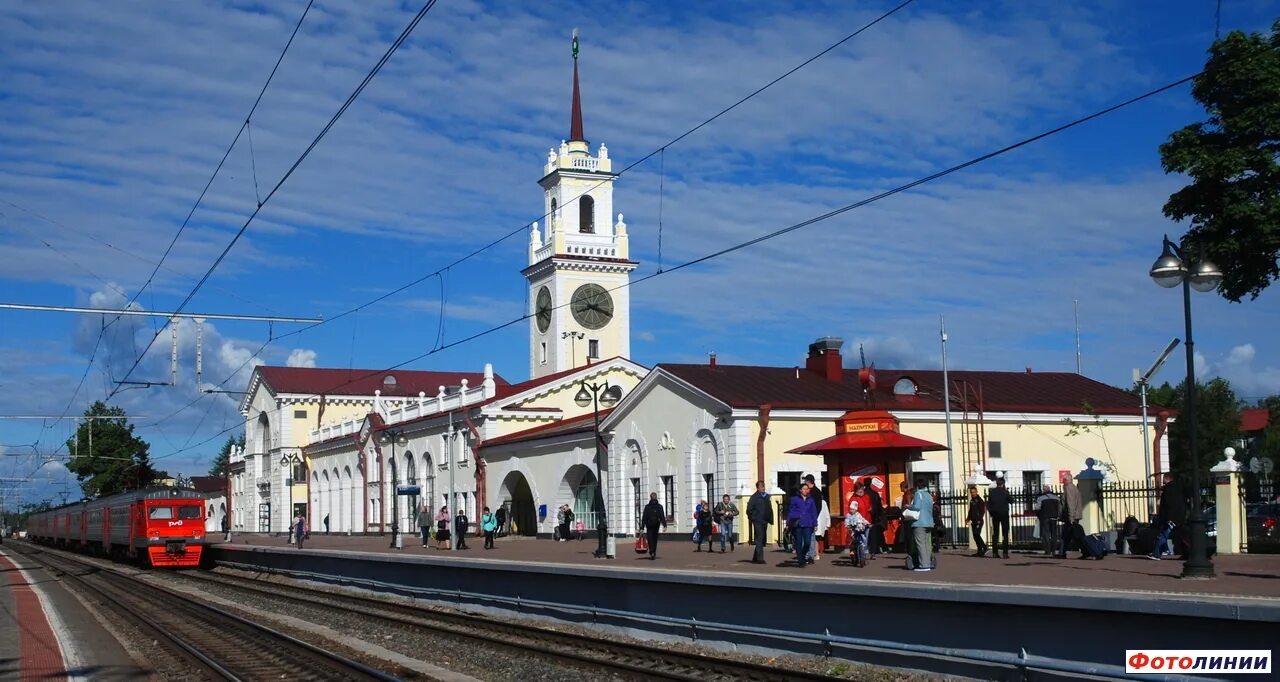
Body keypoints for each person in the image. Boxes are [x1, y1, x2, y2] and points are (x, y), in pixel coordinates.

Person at [1149, 472, 1187, 560]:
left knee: (1163, 535)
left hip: (1170, 518)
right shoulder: (1177, 488)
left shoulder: (1169, 489)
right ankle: (1166, 550)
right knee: (1181, 536)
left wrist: (1170, 518)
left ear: (1167, 478)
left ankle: (1156, 553)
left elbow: (1170, 505)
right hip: (1178, 517)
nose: (1162, 480)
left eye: (1163, 478)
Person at [906, 478, 935, 571]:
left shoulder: (918, 494)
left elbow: (917, 507)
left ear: (917, 486)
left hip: (919, 523)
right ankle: (928, 563)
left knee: (920, 544)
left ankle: (923, 565)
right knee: (927, 545)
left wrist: (909, 506)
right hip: (929, 522)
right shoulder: (929, 495)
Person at [788, 483, 819, 567]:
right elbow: (791, 511)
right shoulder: (795, 499)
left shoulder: (811, 500)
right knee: (798, 542)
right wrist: (790, 521)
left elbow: (814, 512)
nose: (806, 490)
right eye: (804, 489)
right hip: (798, 524)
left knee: (807, 542)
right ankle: (800, 560)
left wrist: (815, 523)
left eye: (807, 489)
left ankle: (802, 555)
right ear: (800, 490)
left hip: (808, 524)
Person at [746, 480, 773, 564]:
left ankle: (755, 557)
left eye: (763, 486)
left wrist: (770, 518)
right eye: (761, 487)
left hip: (765, 520)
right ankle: (760, 559)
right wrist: (753, 518)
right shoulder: (754, 497)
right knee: (759, 538)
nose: (763, 488)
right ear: (757, 488)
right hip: (757, 521)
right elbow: (749, 510)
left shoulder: (766, 497)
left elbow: (769, 508)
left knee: (762, 539)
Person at [1034, 486, 1062, 556]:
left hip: (1045, 518)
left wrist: (1039, 515)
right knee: (1054, 534)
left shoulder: (1040, 498)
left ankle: (1048, 550)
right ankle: (1054, 550)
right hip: (1054, 518)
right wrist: (1058, 515)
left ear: (1044, 491)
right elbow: (1060, 508)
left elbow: (1037, 508)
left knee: (1046, 534)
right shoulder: (1056, 498)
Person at [1059, 478, 1083, 558]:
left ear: (1067, 480)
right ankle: (1062, 553)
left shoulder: (1069, 488)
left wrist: (1071, 518)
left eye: (1064, 480)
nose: (1062, 482)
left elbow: (1070, 504)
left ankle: (1062, 553)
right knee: (1074, 536)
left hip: (1071, 518)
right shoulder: (1074, 488)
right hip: (1073, 517)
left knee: (1067, 536)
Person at [988, 477, 1011, 559]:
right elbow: (1011, 500)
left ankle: (995, 553)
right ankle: (1005, 553)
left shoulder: (992, 492)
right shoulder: (1005, 492)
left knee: (995, 533)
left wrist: (991, 513)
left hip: (995, 514)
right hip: (1004, 514)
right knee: (1005, 534)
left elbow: (988, 504)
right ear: (1003, 484)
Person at [641, 492, 666, 560]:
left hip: (649, 525)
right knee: (655, 539)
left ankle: (651, 551)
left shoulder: (647, 507)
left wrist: (642, 527)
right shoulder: (659, 506)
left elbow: (644, 517)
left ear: (650, 498)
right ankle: (653, 552)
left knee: (650, 538)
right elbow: (662, 516)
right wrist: (665, 525)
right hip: (656, 525)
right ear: (656, 497)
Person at [865, 479, 886, 557]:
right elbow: (879, 505)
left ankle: (865, 549)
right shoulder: (875, 494)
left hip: (864, 516)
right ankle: (873, 550)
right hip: (874, 516)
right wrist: (879, 515)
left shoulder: (863, 494)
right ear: (871, 484)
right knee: (873, 534)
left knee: (864, 533)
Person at [968, 486, 988, 557]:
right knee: (975, 536)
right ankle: (979, 551)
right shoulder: (972, 500)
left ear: (976, 492)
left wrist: (979, 520)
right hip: (973, 521)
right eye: (971, 493)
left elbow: (982, 511)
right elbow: (970, 511)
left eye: (974, 492)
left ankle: (984, 547)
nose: (972, 494)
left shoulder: (980, 501)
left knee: (977, 534)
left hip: (979, 521)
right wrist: (968, 518)